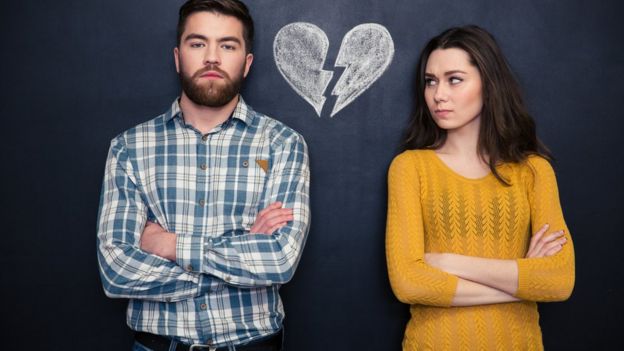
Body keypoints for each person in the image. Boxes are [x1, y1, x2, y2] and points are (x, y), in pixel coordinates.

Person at [96, 1, 310, 350]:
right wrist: (240, 258)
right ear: (178, 57)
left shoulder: (283, 144)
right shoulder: (129, 148)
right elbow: (117, 271)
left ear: (247, 63)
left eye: (228, 45)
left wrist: (170, 245)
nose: (212, 57)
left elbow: (280, 259)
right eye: (198, 44)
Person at [386, 25, 575, 350]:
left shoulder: (533, 171)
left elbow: (559, 281)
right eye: (430, 81)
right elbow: (408, 283)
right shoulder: (410, 167)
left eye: (454, 79)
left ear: (489, 84)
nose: (438, 94)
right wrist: (522, 281)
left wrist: (449, 262)